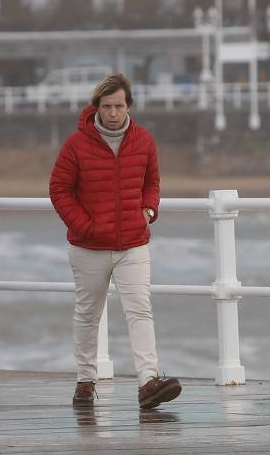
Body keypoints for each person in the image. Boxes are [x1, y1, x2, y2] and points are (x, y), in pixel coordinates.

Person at [49, 73, 182, 410]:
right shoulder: (76, 145)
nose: (112, 112)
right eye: (106, 106)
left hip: (134, 243)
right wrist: (85, 226)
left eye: (118, 106)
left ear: (128, 106)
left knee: (140, 309)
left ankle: (148, 382)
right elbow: (59, 190)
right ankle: (85, 381)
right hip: (88, 246)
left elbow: (152, 181)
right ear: (96, 107)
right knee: (87, 314)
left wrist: (148, 211)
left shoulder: (144, 140)